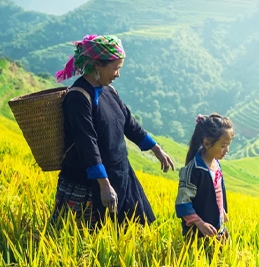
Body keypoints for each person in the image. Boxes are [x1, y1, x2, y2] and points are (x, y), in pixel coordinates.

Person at [51, 34, 174, 227]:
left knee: (137, 230)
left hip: (121, 174)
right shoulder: (78, 97)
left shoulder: (109, 91)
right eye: (115, 68)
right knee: (90, 235)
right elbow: (87, 142)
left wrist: (157, 150)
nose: (118, 74)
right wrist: (104, 184)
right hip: (91, 181)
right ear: (97, 65)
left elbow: (129, 124)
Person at [175, 113, 234, 241]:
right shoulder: (194, 169)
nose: (227, 150)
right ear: (207, 143)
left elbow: (217, 192)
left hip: (216, 230)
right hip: (198, 235)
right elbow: (183, 202)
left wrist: (222, 211)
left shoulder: (216, 164)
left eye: (228, 145)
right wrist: (200, 223)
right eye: (223, 146)